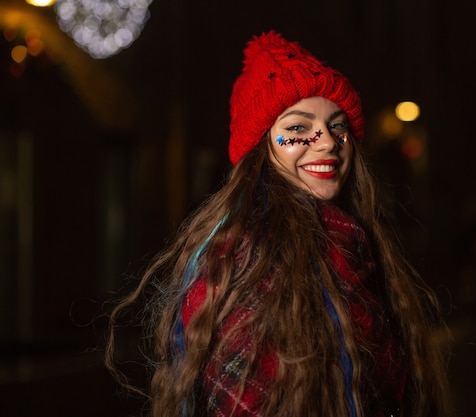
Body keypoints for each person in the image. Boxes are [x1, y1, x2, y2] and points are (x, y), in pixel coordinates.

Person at [106, 31, 449, 417]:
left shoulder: (357, 245)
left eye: (338, 127)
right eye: (299, 128)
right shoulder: (250, 260)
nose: (327, 142)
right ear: (259, 150)